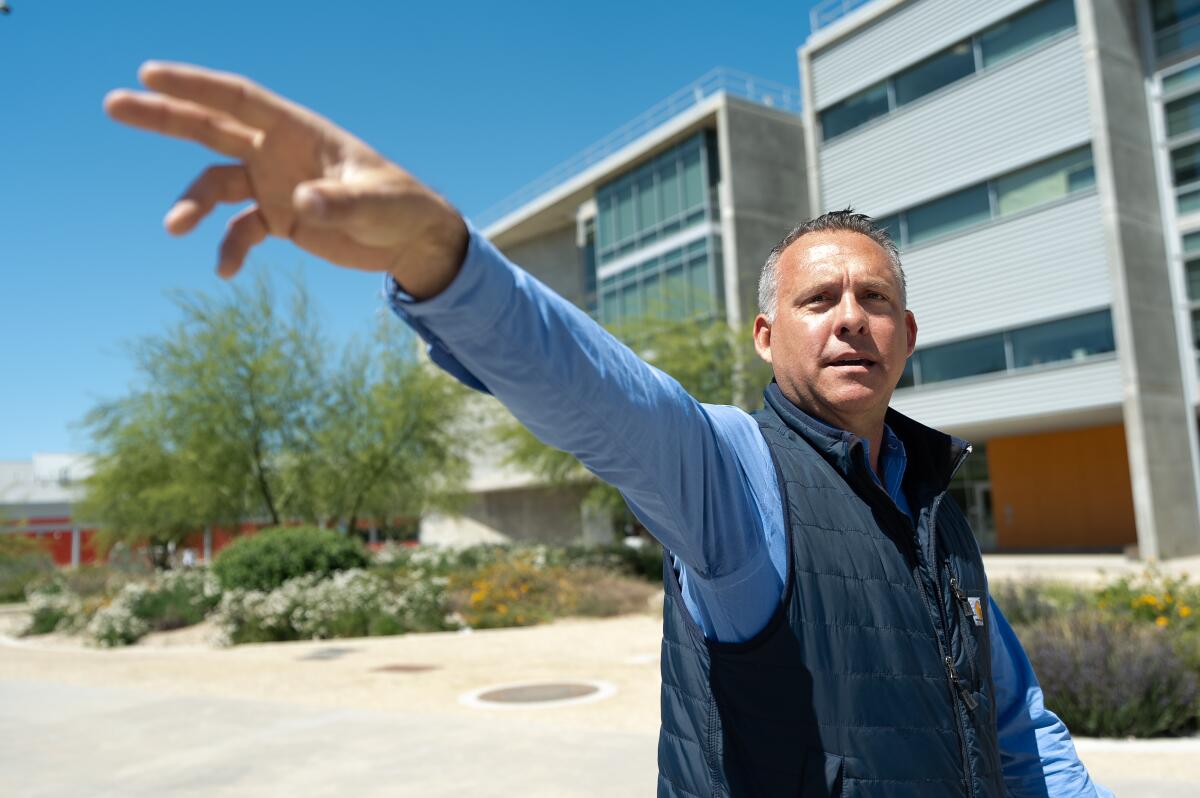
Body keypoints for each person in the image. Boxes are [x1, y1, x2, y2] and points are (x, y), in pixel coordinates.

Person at [106, 62, 1112, 797]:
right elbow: (606, 397)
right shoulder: (734, 470)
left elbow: (1019, 729)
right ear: (767, 336)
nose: (851, 316)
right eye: (819, 299)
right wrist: (444, 258)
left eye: (875, 298)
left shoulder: (934, 505)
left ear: (908, 334)